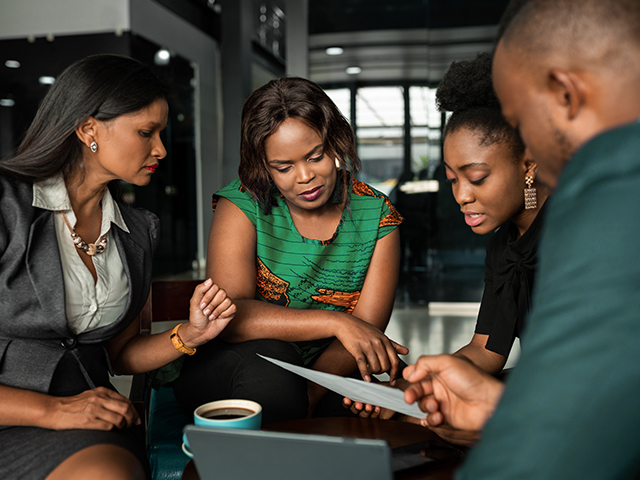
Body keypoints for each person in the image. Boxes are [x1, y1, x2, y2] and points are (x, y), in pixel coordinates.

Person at [403, 0, 640, 477]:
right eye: (452, 179)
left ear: (565, 95)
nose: (527, 146)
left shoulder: (608, 202)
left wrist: (513, 421)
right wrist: (500, 408)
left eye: (522, 119)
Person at [0, 54, 235, 480]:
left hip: (90, 424)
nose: (161, 148)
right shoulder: (6, 207)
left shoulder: (138, 231)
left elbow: (121, 355)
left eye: (161, 132)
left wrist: (190, 333)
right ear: (88, 128)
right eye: (146, 132)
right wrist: (53, 410)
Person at [172, 77, 407, 424]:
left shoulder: (378, 214)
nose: (305, 177)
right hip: (239, 361)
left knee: (375, 408)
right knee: (273, 374)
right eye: (283, 167)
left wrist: (311, 391)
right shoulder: (241, 204)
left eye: (316, 157)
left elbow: (365, 330)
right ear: (263, 166)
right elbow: (230, 319)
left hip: (330, 365)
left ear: (335, 143)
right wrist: (335, 321)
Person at [344, 52, 549, 445]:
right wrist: (417, 382)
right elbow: (487, 349)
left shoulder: (578, 232)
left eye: (476, 178)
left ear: (528, 164)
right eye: (453, 180)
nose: (461, 196)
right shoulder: (504, 248)